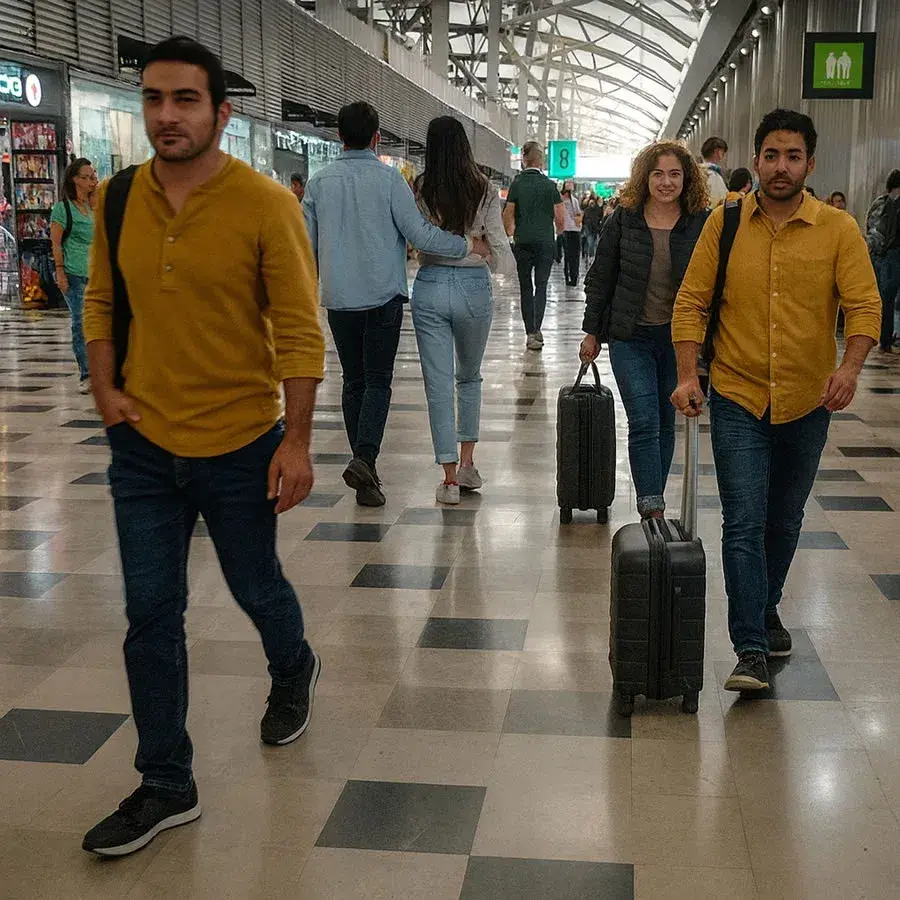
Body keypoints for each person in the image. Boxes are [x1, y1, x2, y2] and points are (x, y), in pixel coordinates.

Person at [80, 36, 326, 857]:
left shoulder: (264, 204)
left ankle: (293, 665)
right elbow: (101, 305)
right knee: (150, 614)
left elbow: (297, 329)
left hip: (239, 441)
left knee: (256, 585)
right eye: (153, 98)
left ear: (222, 112)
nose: (166, 116)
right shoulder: (117, 199)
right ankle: (166, 782)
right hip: (143, 449)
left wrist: (296, 441)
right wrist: (106, 393)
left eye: (184, 100)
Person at [671, 109, 881, 694]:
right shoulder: (726, 221)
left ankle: (764, 609)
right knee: (742, 521)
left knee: (783, 522)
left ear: (810, 165)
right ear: (757, 160)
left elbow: (864, 306)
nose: (781, 166)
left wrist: (850, 368)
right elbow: (691, 302)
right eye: (771, 155)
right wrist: (689, 375)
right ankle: (751, 648)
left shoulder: (838, 229)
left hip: (808, 399)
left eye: (793, 157)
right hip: (738, 393)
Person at [303, 102, 487, 508]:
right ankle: (364, 457)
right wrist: (466, 244)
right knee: (376, 381)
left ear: (338, 136)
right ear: (377, 138)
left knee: (353, 380)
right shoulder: (390, 182)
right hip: (382, 296)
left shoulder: (318, 184)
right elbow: (420, 235)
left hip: (338, 299)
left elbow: (304, 244)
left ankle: (363, 465)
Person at [580, 140, 709, 519]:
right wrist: (592, 332)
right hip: (629, 335)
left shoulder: (699, 222)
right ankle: (651, 507)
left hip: (678, 340)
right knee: (644, 419)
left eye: (674, 174)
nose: (666, 182)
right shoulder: (625, 218)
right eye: (658, 174)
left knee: (667, 421)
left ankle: (655, 496)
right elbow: (601, 277)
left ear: (686, 180)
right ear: (645, 178)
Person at [411, 117, 515, 505]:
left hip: (431, 285)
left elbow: (420, 235)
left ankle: (450, 480)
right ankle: (469, 462)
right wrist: (489, 254)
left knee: (438, 385)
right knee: (468, 378)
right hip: (473, 288)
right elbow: (497, 241)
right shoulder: (483, 187)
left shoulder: (421, 187)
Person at [502, 141, 565, 351]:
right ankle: (537, 330)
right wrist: (556, 231)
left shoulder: (518, 184)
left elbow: (508, 214)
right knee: (542, 285)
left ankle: (530, 332)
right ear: (541, 160)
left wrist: (511, 233)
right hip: (546, 243)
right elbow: (560, 218)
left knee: (526, 287)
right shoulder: (550, 185)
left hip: (523, 243)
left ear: (524, 160)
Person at [50, 157, 98, 394]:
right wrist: (60, 272)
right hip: (73, 273)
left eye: (93, 176)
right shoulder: (63, 209)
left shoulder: (93, 206)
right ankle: (86, 374)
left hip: (96, 275)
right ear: (74, 180)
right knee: (80, 323)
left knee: (99, 323)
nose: (91, 181)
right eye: (86, 177)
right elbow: (56, 243)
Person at [865, 169, 900, 352]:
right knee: (887, 299)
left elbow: (873, 229)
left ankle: (886, 339)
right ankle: (887, 338)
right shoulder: (884, 203)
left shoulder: (881, 202)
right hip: (889, 255)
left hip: (886, 255)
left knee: (886, 298)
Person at [559, 180, 584, 287]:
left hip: (574, 229)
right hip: (567, 230)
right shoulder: (561, 200)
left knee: (573, 256)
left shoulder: (574, 200)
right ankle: (570, 277)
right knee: (569, 256)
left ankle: (573, 277)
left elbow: (578, 213)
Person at [701, 136, 729, 207]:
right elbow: (720, 201)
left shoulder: (698, 172)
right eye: (723, 152)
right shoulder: (713, 176)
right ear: (717, 151)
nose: (723, 156)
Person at [581, 196, 604, 265]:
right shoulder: (598, 210)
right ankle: (590, 256)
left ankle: (588, 255)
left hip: (591, 228)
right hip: (592, 229)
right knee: (591, 243)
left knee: (590, 243)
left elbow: (584, 220)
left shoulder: (587, 210)